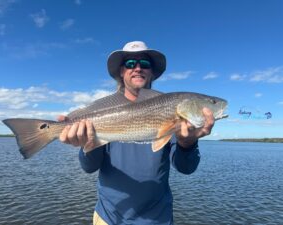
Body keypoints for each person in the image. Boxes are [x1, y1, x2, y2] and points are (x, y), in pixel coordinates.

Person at [59, 41, 215, 225]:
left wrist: (187, 144)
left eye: (145, 64)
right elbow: (89, 167)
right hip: (108, 218)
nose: (138, 68)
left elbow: (185, 168)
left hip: (157, 219)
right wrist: (86, 144)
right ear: (121, 72)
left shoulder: (173, 110)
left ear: (152, 72)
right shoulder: (104, 110)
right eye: (130, 64)